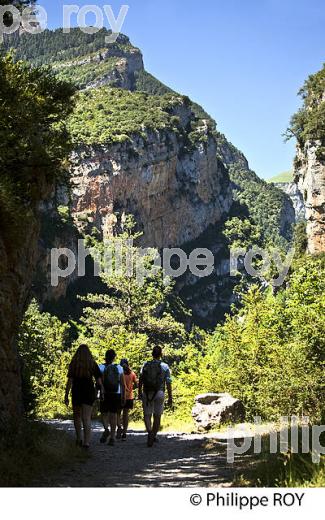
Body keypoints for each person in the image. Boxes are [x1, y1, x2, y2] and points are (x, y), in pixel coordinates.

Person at [65, 344, 103, 449]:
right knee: (86, 418)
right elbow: (99, 382)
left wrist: (66, 394)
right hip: (88, 391)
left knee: (77, 416)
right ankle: (86, 443)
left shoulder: (74, 364)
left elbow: (70, 381)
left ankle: (79, 439)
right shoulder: (92, 364)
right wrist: (100, 392)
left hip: (77, 391)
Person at [139, 346, 173, 447]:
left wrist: (139, 392)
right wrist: (170, 397)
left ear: (152, 354)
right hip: (159, 392)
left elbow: (141, 379)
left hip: (147, 392)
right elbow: (168, 382)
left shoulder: (145, 364)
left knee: (147, 415)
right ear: (161, 354)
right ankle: (153, 435)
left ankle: (149, 432)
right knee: (157, 416)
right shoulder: (165, 366)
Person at [99, 349, 126, 446]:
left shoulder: (101, 367)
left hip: (105, 393)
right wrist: (123, 396)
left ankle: (106, 429)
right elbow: (123, 384)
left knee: (104, 413)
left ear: (105, 357)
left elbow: (99, 382)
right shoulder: (119, 368)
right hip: (116, 393)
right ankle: (113, 437)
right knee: (114, 414)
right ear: (114, 357)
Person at [117, 359, 138, 440]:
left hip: (119, 396)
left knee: (117, 414)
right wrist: (131, 387)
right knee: (126, 415)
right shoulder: (132, 373)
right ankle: (124, 433)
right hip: (129, 397)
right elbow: (136, 384)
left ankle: (119, 427)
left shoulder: (118, 373)